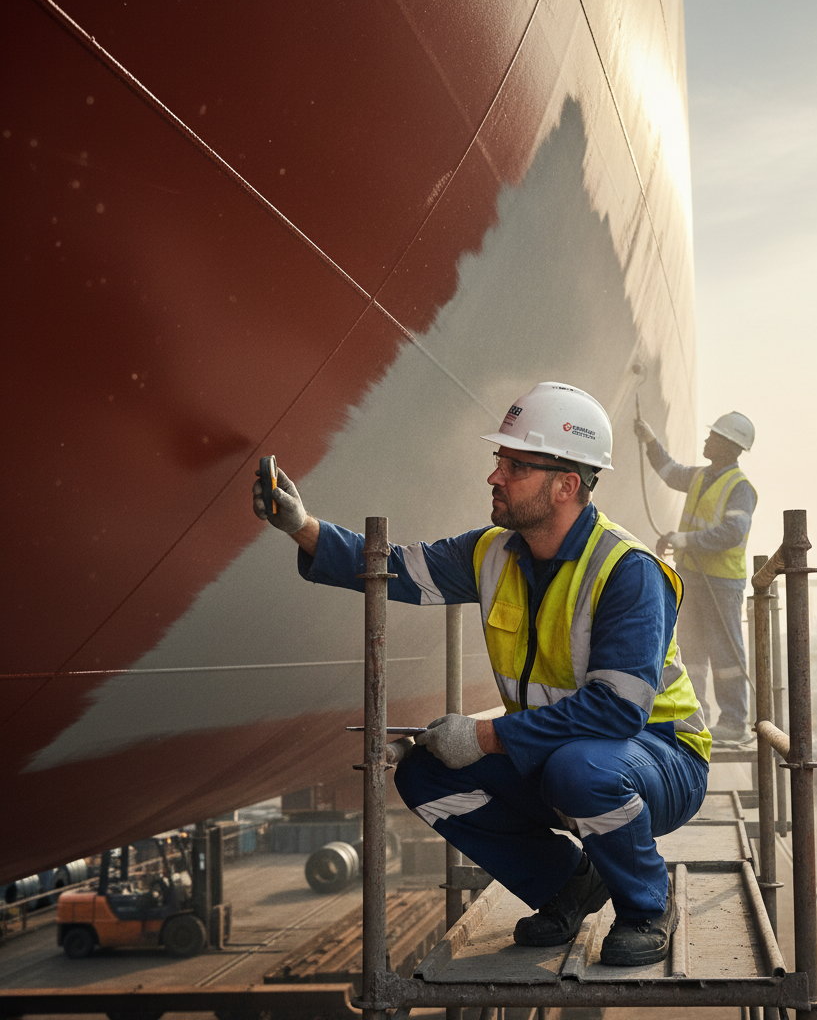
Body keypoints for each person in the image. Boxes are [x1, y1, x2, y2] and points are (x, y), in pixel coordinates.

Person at [253, 382, 710, 966]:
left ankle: (648, 905)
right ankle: (568, 884)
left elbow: (618, 710)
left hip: (659, 757)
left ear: (566, 485)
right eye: (500, 461)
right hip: (565, 750)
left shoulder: (627, 571)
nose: (495, 477)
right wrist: (302, 526)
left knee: (581, 770)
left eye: (515, 465)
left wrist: (485, 736)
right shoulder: (492, 552)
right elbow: (392, 567)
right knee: (424, 773)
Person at [633, 412, 757, 743]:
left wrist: (685, 540)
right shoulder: (702, 476)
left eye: (713, 436)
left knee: (726, 655)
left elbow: (732, 532)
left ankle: (734, 723)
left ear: (730, 447)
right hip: (694, 579)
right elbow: (672, 473)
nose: (706, 441)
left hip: (721, 583)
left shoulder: (741, 489)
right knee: (692, 651)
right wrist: (650, 441)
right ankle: (697, 714)